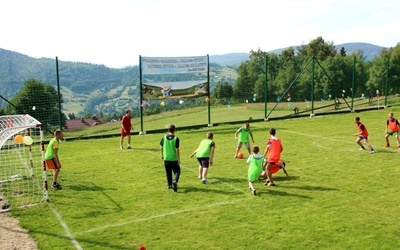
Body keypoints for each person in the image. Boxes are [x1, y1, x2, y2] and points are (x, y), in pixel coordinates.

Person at [160, 124, 181, 192]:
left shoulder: (164, 137)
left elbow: (161, 147)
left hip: (166, 158)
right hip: (173, 158)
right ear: (174, 130)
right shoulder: (176, 138)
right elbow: (177, 149)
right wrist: (178, 159)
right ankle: (175, 180)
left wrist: (162, 155)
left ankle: (169, 185)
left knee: (168, 171)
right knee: (177, 171)